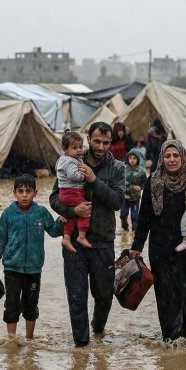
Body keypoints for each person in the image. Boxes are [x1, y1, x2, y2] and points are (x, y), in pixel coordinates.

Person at [130, 140, 186, 341]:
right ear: (162, 158)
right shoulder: (153, 181)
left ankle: (183, 341)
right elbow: (144, 217)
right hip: (162, 249)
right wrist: (137, 246)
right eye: (168, 156)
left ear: (183, 157)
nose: (172, 160)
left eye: (176, 156)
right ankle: (170, 339)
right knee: (166, 295)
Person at [49, 121, 125, 348]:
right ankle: (81, 347)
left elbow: (117, 201)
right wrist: (73, 211)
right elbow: (55, 197)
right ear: (89, 140)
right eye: (97, 141)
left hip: (103, 240)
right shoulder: (71, 161)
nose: (101, 147)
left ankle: (98, 329)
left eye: (106, 142)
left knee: (104, 295)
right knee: (76, 296)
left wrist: (94, 180)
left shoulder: (118, 168)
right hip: (74, 242)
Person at [0, 174, 64, 340]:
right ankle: (12, 340)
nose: (24, 195)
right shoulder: (8, 214)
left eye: (28, 191)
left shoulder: (41, 212)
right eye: (20, 191)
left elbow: (54, 231)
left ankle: (29, 340)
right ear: (14, 193)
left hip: (34, 270)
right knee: (12, 305)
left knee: (31, 305)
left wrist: (62, 221)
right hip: (12, 269)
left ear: (35, 192)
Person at [56, 131, 93, 252]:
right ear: (65, 149)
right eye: (74, 148)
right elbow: (73, 176)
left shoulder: (65, 159)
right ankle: (81, 236)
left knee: (70, 216)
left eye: (80, 147)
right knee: (86, 210)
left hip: (65, 193)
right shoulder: (70, 161)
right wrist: (85, 176)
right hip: (72, 192)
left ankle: (66, 238)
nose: (79, 150)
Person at [121, 147, 147, 233]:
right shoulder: (123, 169)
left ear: (138, 159)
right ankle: (125, 229)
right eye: (130, 158)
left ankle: (134, 232)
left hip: (135, 197)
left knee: (134, 216)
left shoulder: (141, 171)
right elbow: (119, 181)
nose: (132, 160)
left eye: (134, 158)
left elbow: (145, 182)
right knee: (122, 214)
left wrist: (141, 187)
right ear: (127, 158)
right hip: (125, 197)